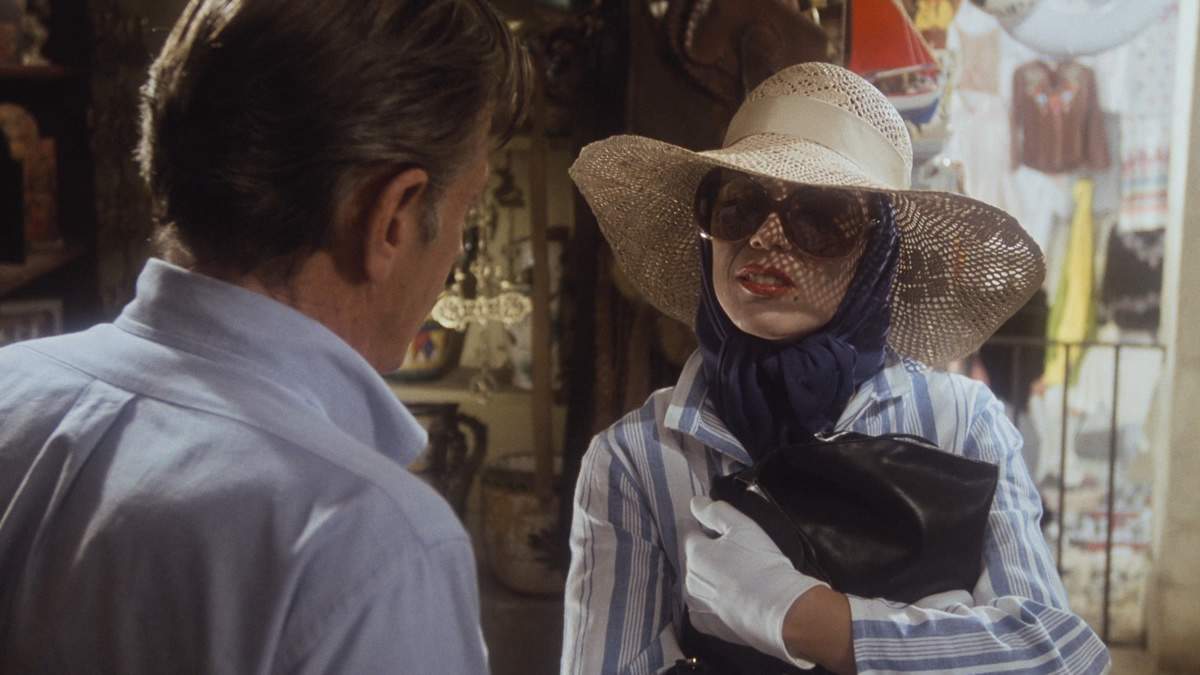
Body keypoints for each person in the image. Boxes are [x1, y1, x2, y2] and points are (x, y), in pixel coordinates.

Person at [0, 0, 529, 672]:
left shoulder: (10, 385)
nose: (455, 249)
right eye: (466, 208)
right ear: (391, 216)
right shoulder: (371, 545)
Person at [563, 62, 1110, 674]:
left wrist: (802, 618)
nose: (765, 237)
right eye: (737, 206)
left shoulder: (962, 425)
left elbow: (1061, 656)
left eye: (819, 216)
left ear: (878, 252)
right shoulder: (636, 459)